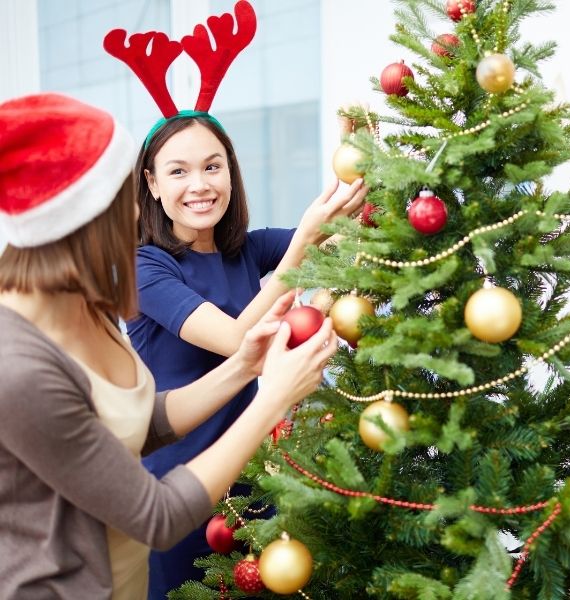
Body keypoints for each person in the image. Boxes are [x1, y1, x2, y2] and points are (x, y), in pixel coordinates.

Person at [0, 92, 338, 598]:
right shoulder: (18, 367)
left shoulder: (85, 303)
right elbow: (156, 516)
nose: (137, 208)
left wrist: (245, 368)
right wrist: (273, 399)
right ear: (86, 217)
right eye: (126, 196)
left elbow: (138, 424)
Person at [102, 3, 368, 594]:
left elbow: (342, 239)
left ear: (231, 172)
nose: (199, 184)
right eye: (178, 172)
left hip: (259, 484)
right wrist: (304, 241)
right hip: (180, 493)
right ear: (151, 184)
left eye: (212, 166)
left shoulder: (248, 248)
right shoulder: (145, 266)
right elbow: (235, 339)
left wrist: (360, 160)